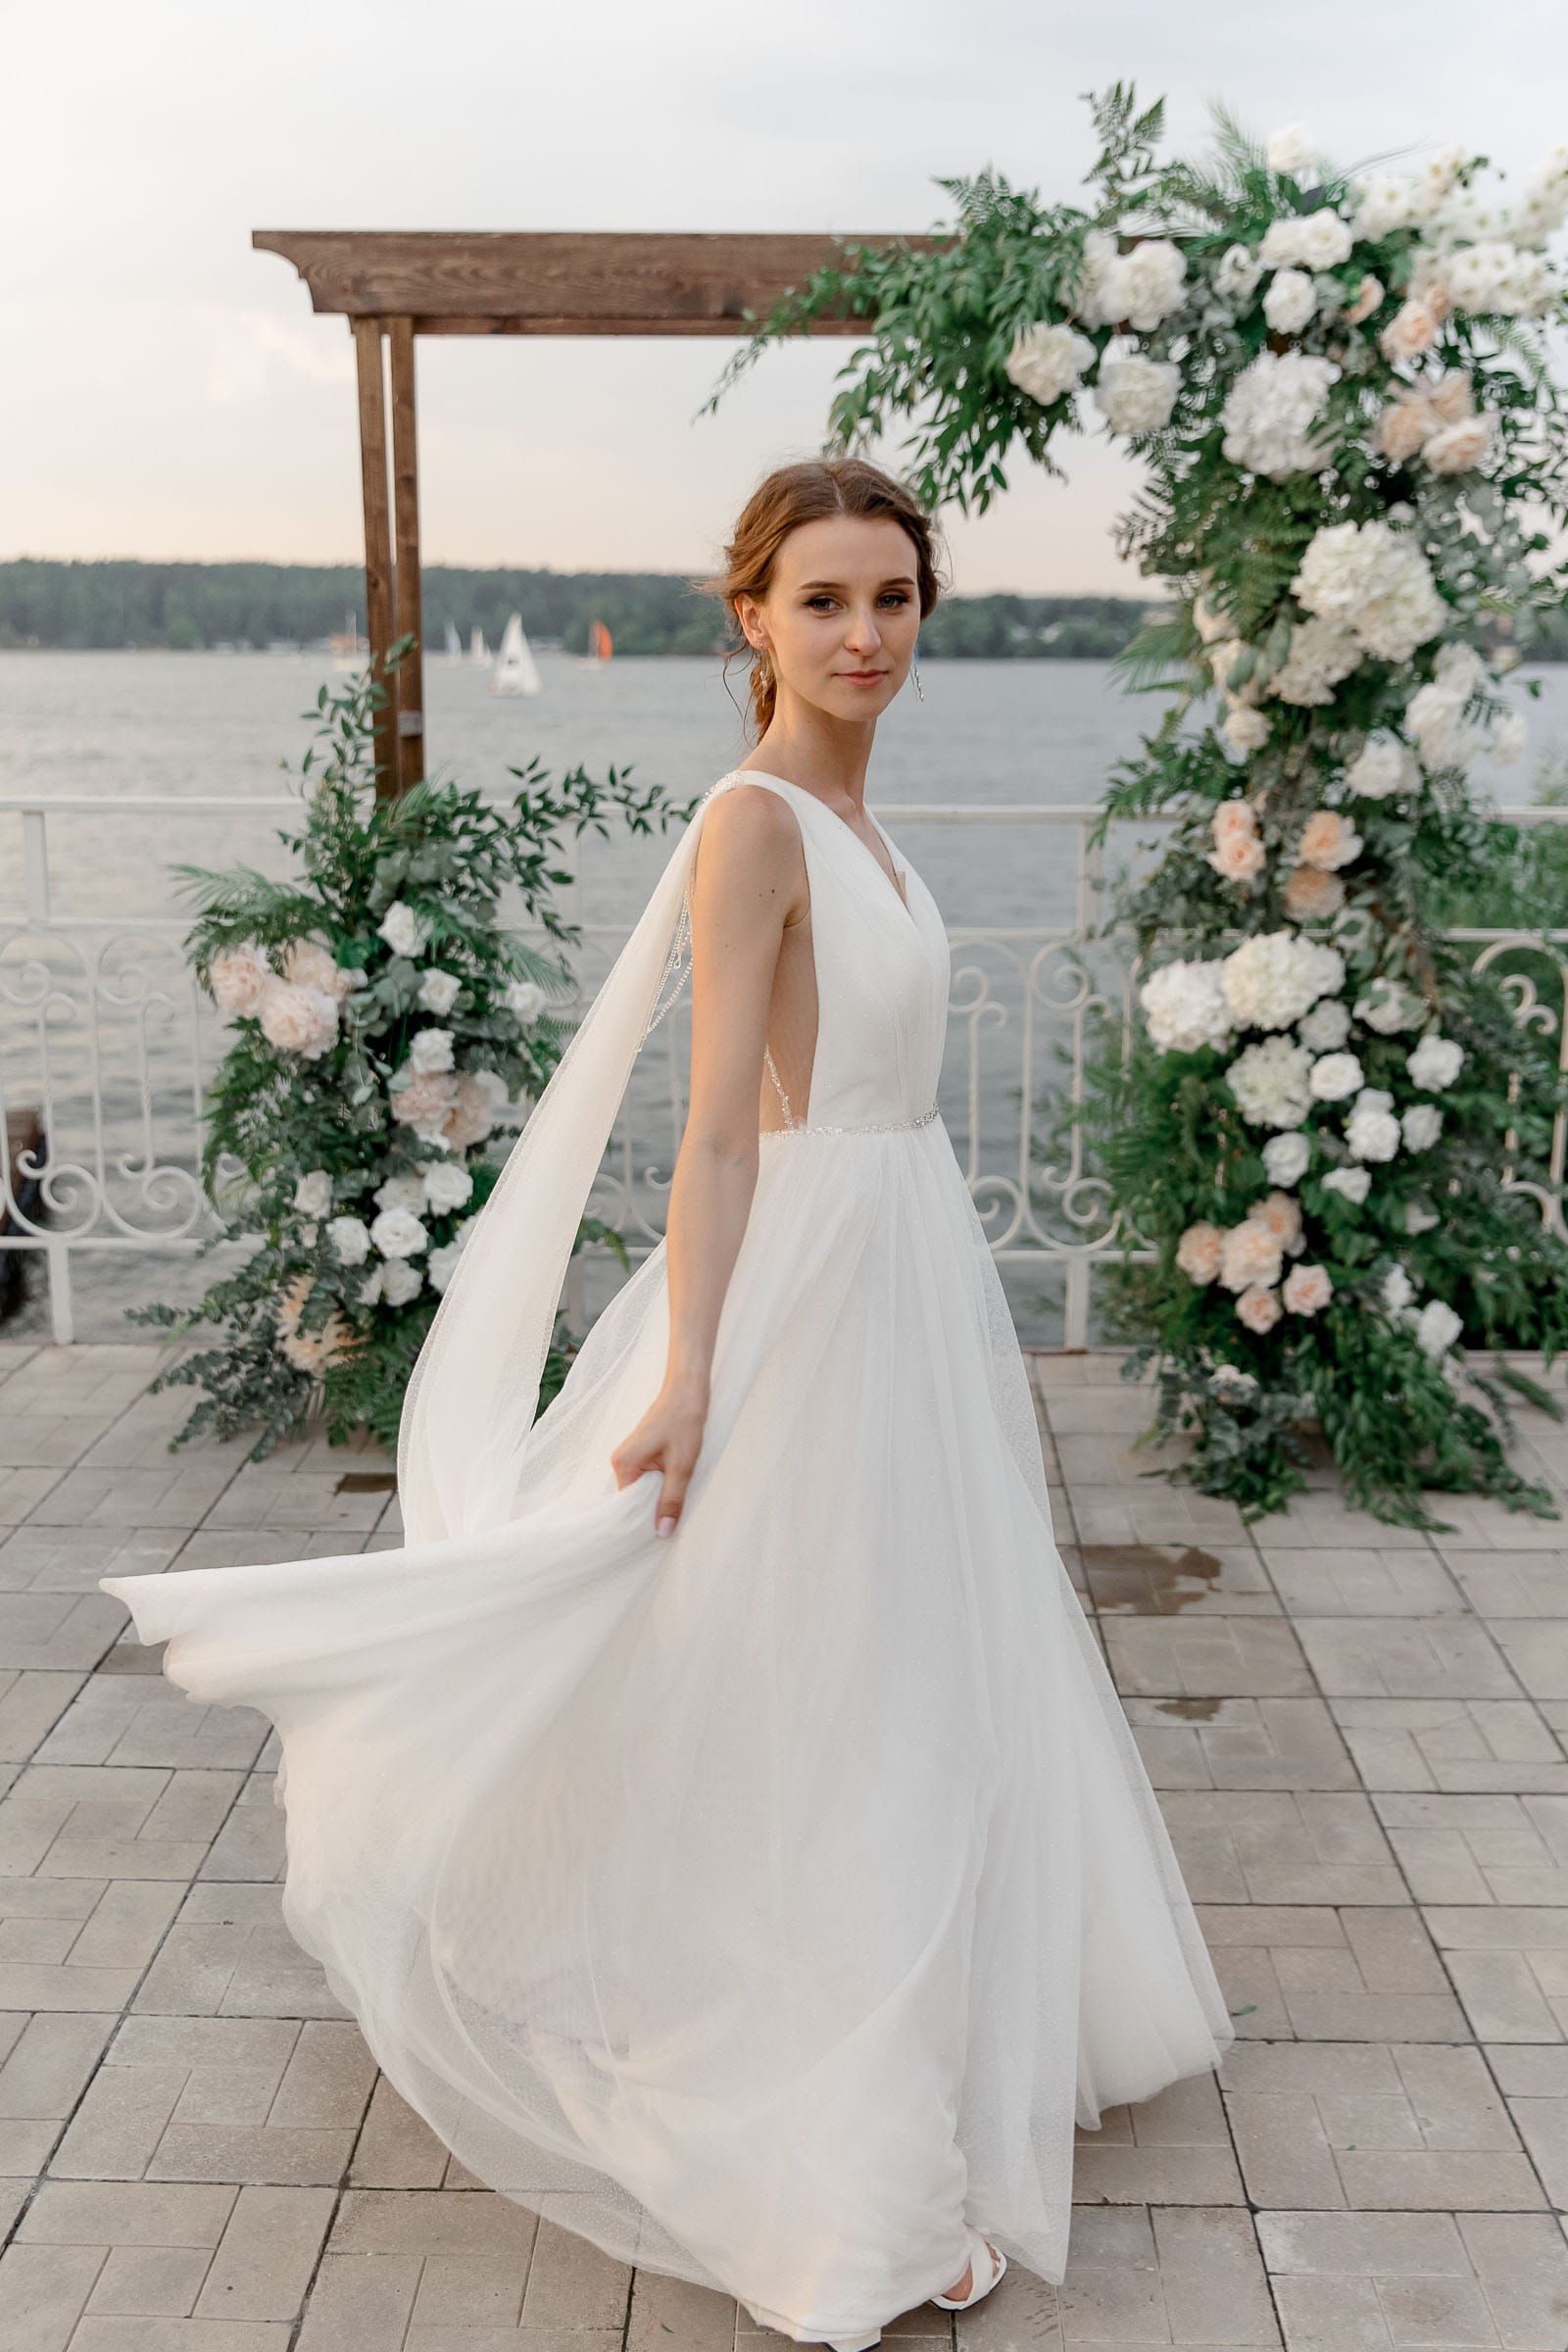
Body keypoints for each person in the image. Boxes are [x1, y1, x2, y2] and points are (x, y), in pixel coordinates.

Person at [101, 456, 1234, 2352]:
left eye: (892, 599)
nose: (864, 634)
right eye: (825, 603)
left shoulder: (867, 823)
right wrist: (694, 1368)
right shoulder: (758, 824)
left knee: (905, 1676)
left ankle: (942, 2033)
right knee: (831, 1701)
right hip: (809, 1285)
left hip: (907, 1269)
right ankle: (841, 2188)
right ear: (752, 622)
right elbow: (717, 1128)